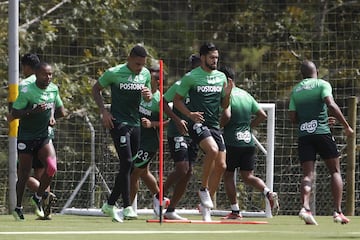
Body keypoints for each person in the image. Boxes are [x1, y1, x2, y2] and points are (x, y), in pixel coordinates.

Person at [288, 60, 353, 225]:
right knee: (335, 171)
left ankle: (305, 207)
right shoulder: (322, 84)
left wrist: (312, 120)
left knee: (307, 175)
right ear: (316, 71)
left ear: (302, 74)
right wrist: (346, 126)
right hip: (322, 133)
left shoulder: (296, 90)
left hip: (304, 135)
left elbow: (293, 118)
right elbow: (330, 104)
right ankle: (338, 212)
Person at [92, 44, 152, 222]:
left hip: (136, 123)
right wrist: (104, 111)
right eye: (137, 64)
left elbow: (147, 96)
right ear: (129, 59)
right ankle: (127, 207)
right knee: (125, 161)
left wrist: (148, 96)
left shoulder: (145, 74)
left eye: (142, 64)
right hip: (118, 122)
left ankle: (109, 204)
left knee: (131, 166)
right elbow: (96, 89)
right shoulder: (114, 72)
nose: (139, 67)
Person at [173, 43, 232, 221]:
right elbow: (176, 101)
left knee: (221, 166)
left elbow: (224, 105)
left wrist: (228, 93)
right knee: (212, 150)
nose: (215, 61)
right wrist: (189, 114)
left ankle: (205, 208)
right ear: (203, 57)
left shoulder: (221, 77)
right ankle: (204, 189)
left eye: (217, 58)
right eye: (212, 58)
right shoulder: (191, 77)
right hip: (197, 123)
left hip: (214, 125)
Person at [219, 66, 279, 220]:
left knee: (228, 175)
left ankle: (235, 211)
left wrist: (219, 127)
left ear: (227, 80)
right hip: (248, 141)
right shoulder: (246, 95)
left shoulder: (227, 95)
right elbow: (262, 115)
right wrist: (248, 128)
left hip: (232, 141)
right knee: (248, 176)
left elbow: (227, 115)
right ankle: (268, 193)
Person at [11, 62, 65, 221]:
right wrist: (32, 112)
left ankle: (38, 196)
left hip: (43, 136)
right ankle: (18, 207)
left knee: (52, 167)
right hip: (26, 136)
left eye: (50, 74)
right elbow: (15, 113)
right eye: (44, 74)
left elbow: (60, 110)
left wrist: (53, 117)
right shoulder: (27, 91)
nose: (48, 77)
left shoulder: (54, 89)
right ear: (36, 74)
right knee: (24, 173)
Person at [161, 55, 201, 220]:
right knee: (182, 168)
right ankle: (159, 196)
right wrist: (177, 120)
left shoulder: (203, 88)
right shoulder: (180, 85)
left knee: (188, 172)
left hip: (194, 134)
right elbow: (163, 102)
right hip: (177, 132)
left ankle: (171, 210)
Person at [129, 61, 170, 216]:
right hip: (136, 139)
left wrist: (152, 123)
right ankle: (160, 198)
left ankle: (129, 208)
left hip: (149, 143)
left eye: (151, 77)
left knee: (134, 173)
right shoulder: (140, 93)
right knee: (144, 172)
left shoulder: (160, 100)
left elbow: (169, 121)